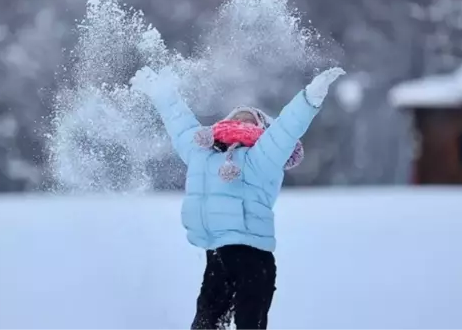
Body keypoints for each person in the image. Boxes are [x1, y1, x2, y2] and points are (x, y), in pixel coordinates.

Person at [130, 65, 345, 330]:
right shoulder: (203, 154)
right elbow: (180, 124)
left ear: (263, 130)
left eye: (250, 120)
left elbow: (287, 128)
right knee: (205, 324)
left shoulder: (263, 157)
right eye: (237, 118)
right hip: (217, 257)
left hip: (254, 261)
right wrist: (161, 93)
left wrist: (310, 97)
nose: (242, 122)